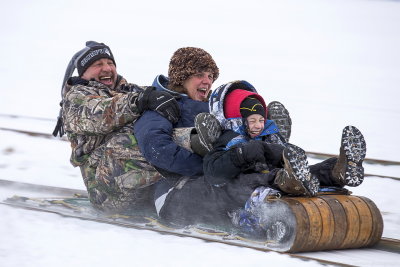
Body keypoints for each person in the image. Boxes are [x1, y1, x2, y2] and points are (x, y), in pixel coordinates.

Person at [53, 41, 181, 212]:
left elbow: (157, 96)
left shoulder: (129, 90)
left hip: (145, 187)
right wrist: (141, 101)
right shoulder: (76, 98)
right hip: (108, 193)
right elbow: (102, 113)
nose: (107, 68)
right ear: (84, 73)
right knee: (127, 140)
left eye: (110, 63)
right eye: (98, 64)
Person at [204, 82, 367, 198]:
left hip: (278, 175)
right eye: (252, 121)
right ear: (237, 120)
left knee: (307, 173)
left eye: (261, 120)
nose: (258, 126)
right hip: (246, 185)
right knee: (253, 179)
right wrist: (241, 154)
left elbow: (288, 157)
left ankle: (338, 170)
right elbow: (213, 171)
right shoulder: (228, 139)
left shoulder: (270, 134)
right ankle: (289, 180)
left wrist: (285, 154)